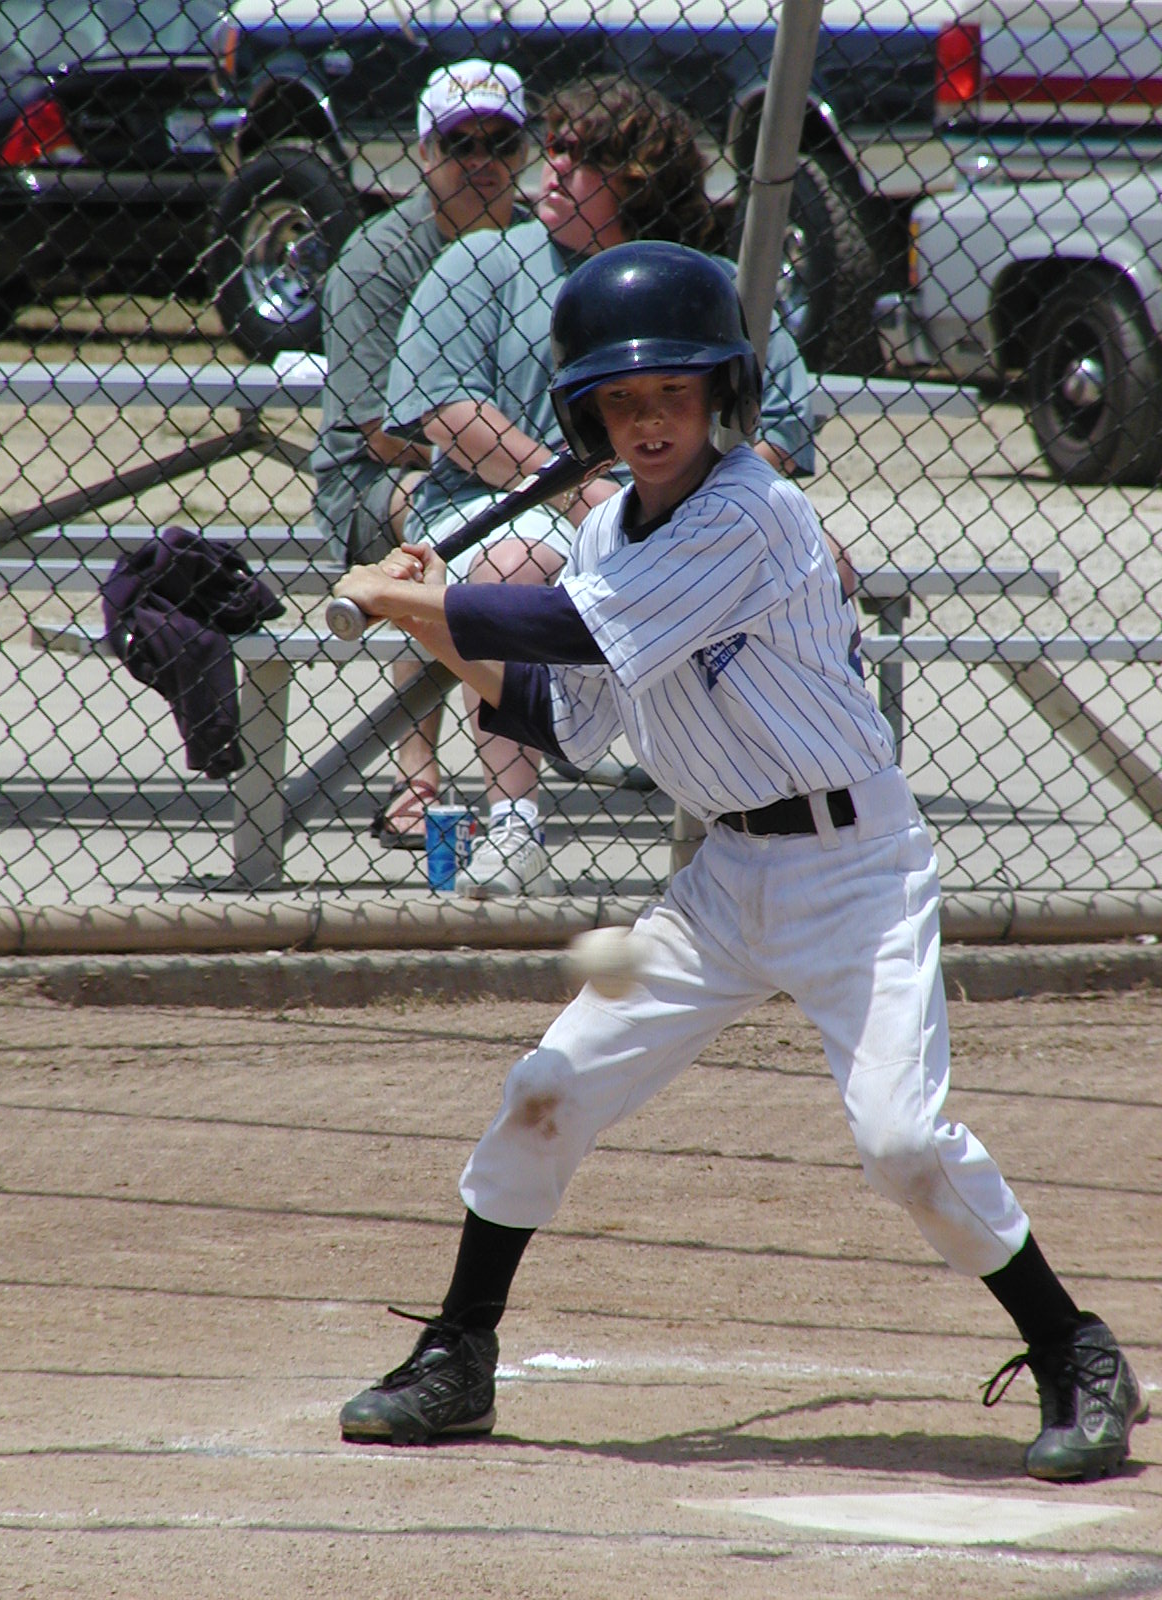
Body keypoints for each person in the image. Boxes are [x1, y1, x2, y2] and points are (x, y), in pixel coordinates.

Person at [330, 241, 1149, 1480]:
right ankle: (458, 1353)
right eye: (621, 400)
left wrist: (411, 600)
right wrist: (439, 623)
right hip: (722, 883)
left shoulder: (755, 512)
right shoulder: (604, 538)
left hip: (856, 870)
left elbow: (565, 627)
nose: (648, 420)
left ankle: (1074, 1348)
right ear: (588, 415)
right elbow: (568, 715)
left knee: (901, 1144)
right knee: (549, 1086)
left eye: (674, 392)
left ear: (724, 393)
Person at [380, 75, 818, 893]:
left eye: (577, 155)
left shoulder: (700, 280)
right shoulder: (484, 261)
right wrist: (570, 487)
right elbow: (445, 409)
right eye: (550, 146)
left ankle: (747, 811)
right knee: (516, 563)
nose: (549, 166)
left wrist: (691, 501)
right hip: (494, 505)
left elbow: (783, 423)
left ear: (635, 179)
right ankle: (513, 823)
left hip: (664, 513)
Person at [310, 58, 530, 847]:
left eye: (501, 142)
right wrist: (497, 455)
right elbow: (378, 429)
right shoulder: (378, 258)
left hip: (513, 473)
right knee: (448, 537)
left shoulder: (539, 245)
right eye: (459, 141)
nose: (482, 160)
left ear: (526, 153)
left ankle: (532, 767)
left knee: (512, 537)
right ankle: (418, 778)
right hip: (379, 481)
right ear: (424, 151)